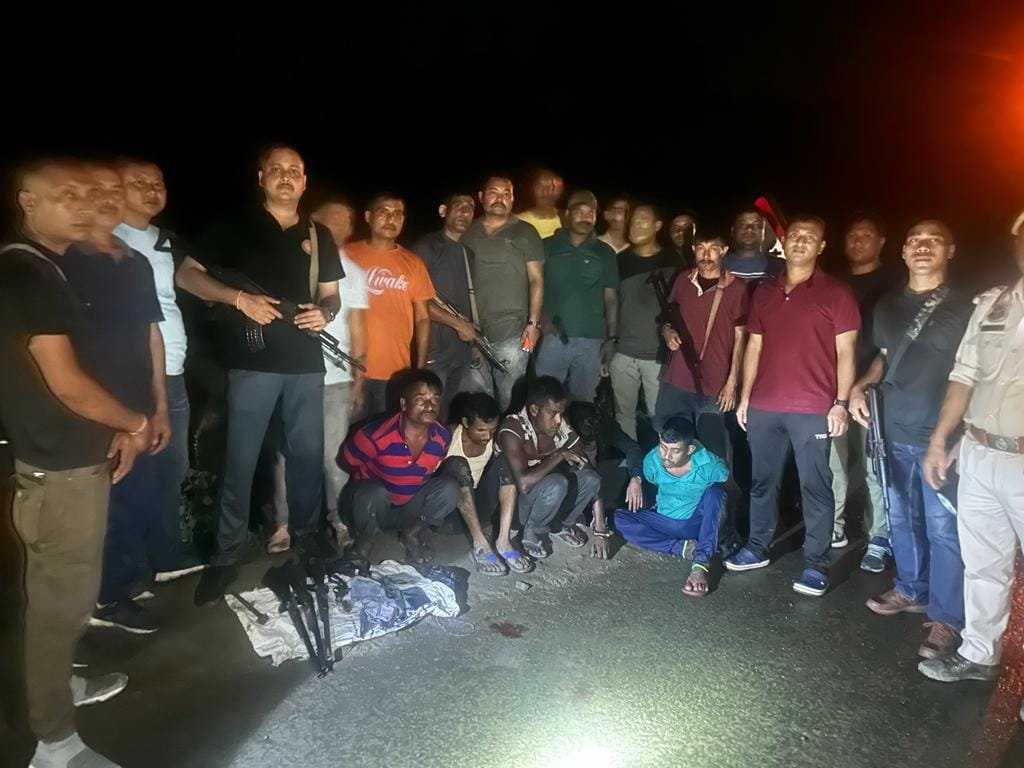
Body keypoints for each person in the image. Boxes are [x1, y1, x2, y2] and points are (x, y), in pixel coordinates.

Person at [2, 159, 155, 768]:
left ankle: (58, 685)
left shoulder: (47, 266)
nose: (83, 204)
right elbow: (66, 383)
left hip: (63, 460)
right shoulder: (25, 270)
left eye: (87, 195)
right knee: (59, 605)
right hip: (58, 467)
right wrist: (135, 422)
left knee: (58, 596)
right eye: (65, 195)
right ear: (27, 202)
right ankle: (55, 742)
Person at [178, 145, 342, 606]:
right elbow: (187, 275)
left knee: (307, 458)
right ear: (261, 177)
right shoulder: (233, 224)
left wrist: (326, 313)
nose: (286, 177)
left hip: (305, 363)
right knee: (241, 459)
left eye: (295, 171)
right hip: (250, 364)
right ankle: (226, 555)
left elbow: (331, 294)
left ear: (305, 182)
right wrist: (238, 299)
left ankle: (308, 538)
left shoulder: (319, 234)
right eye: (277, 169)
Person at [851, 219, 972, 660]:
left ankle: (947, 617)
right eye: (915, 240)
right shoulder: (887, 305)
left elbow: (972, 374)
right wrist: (859, 386)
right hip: (890, 431)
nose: (922, 247)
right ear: (902, 252)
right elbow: (885, 358)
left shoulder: (966, 308)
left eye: (933, 240)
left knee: (943, 529)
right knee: (900, 516)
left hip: (938, 436)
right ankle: (911, 588)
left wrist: (956, 436)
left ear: (950, 250)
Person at [59, 164, 169, 634]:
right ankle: (100, 601)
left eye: (112, 190)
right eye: (96, 189)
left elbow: (152, 335)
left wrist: (159, 407)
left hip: (139, 405)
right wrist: (115, 419)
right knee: (96, 511)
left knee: (134, 498)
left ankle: (120, 583)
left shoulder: (135, 261)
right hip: (92, 411)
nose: (106, 198)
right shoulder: (63, 260)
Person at [726, 216, 860, 598]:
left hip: (812, 408)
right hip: (765, 405)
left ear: (821, 246)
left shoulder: (837, 293)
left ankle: (816, 564)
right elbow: (754, 345)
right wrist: (746, 397)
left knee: (814, 486)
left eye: (810, 237)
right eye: (795, 236)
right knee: (761, 482)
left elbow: (846, 351)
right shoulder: (765, 291)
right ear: (783, 243)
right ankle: (757, 547)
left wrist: (840, 403)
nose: (800, 242)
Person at [917, 211, 1024, 684]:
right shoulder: (993, 303)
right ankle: (979, 653)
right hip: (979, 452)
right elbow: (964, 376)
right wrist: (942, 439)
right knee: (983, 563)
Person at [113, 159, 205, 582]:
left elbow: (192, 281)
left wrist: (238, 297)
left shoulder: (166, 241)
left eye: (158, 183)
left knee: (171, 469)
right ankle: (124, 573)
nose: (152, 190)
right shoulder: (107, 239)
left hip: (172, 369)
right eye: (139, 183)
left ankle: (165, 556)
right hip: (132, 373)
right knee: (132, 474)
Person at [270, 194, 369, 551]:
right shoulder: (285, 257)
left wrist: (359, 380)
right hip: (290, 374)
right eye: (332, 218)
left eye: (347, 220)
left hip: (336, 377)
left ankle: (339, 519)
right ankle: (282, 524)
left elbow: (358, 327)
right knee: (286, 454)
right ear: (312, 219)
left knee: (334, 456)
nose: (340, 226)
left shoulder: (354, 272)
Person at [339, 370, 460, 564]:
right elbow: (347, 462)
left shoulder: (442, 436)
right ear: (404, 404)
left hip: (407, 509)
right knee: (373, 492)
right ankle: (363, 544)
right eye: (420, 399)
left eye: (435, 398)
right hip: (372, 508)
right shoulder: (374, 435)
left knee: (449, 488)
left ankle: (411, 534)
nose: (429, 405)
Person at [831, 213, 897, 565]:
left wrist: (863, 384)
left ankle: (879, 535)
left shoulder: (895, 282)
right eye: (852, 235)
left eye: (866, 234)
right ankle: (834, 527)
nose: (858, 241)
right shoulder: (832, 281)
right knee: (834, 463)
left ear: (881, 241)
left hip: (876, 390)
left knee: (875, 466)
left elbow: (892, 346)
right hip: (832, 389)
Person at [656, 232, 748, 462]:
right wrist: (667, 331)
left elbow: (741, 338)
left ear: (723, 251)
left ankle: (715, 486)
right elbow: (667, 315)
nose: (706, 254)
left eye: (713, 248)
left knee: (713, 451)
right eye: (700, 248)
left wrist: (731, 384)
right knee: (670, 445)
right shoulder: (683, 280)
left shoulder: (736, 288)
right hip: (677, 378)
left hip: (714, 384)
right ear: (693, 250)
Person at [614, 417, 728, 597]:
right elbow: (652, 485)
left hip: (695, 523)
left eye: (675, 451)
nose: (666, 456)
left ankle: (700, 564)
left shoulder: (711, 465)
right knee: (617, 519)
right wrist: (636, 479)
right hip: (664, 521)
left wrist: (724, 527)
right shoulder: (652, 460)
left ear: (690, 449)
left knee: (716, 492)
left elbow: (726, 498)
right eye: (663, 447)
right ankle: (683, 548)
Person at [347, 194, 434, 418]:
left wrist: (420, 368)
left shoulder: (413, 263)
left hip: (394, 373)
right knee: (345, 435)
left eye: (397, 214)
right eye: (383, 212)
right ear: (368, 217)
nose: (390, 218)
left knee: (384, 434)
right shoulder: (346, 255)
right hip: (347, 367)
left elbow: (423, 318)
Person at [461, 175, 544, 410]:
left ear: (513, 199)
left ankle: (509, 435)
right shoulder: (467, 232)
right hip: (472, 334)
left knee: (510, 403)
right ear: (481, 196)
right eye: (493, 192)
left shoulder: (525, 231)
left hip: (512, 333)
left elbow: (536, 280)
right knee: (479, 405)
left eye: (506, 193)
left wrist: (533, 324)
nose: (500, 198)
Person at [496, 377, 603, 559]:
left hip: (546, 498)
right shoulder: (512, 429)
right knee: (557, 482)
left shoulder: (560, 427)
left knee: (591, 478)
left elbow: (588, 468)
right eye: (553, 413)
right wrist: (559, 455)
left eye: (561, 413)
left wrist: (600, 526)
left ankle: (561, 524)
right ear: (534, 410)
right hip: (514, 509)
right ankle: (531, 530)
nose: (558, 420)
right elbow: (523, 484)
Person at [535, 189, 619, 402]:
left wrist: (611, 338)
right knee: (545, 399)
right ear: (567, 214)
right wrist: (541, 320)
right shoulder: (546, 246)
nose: (585, 217)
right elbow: (533, 285)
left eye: (590, 213)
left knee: (584, 400)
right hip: (553, 336)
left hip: (592, 340)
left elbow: (611, 299)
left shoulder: (605, 252)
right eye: (579, 212)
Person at [443, 392, 531, 575]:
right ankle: (481, 545)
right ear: (466, 423)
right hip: (449, 514)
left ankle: (503, 541)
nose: (487, 435)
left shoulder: (495, 437)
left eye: (492, 429)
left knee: (506, 461)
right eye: (481, 430)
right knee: (457, 464)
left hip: (479, 508)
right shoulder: (448, 435)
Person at [609, 204, 676, 440]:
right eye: (633, 220)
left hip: (658, 355)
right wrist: (610, 341)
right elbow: (610, 303)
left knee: (660, 415)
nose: (635, 225)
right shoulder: (619, 261)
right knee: (623, 414)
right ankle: (630, 456)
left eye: (643, 219)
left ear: (657, 226)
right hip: (623, 352)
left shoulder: (673, 261)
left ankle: (664, 457)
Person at [414, 193, 482, 417]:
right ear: (443, 211)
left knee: (450, 415)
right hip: (434, 353)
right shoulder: (426, 247)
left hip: (461, 353)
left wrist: (474, 343)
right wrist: (458, 324)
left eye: (470, 207)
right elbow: (417, 302)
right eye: (458, 206)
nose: (464, 211)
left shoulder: (467, 253)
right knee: (426, 415)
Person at [723, 209, 784, 283]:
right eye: (743, 224)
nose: (749, 229)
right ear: (733, 231)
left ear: (763, 232)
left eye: (756, 225)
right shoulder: (719, 266)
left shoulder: (780, 268)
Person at [517, 168, 564, 239]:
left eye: (552, 186)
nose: (546, 191)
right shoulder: (517, 223)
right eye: (539, 185)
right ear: (530, 189)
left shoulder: (568, 221)